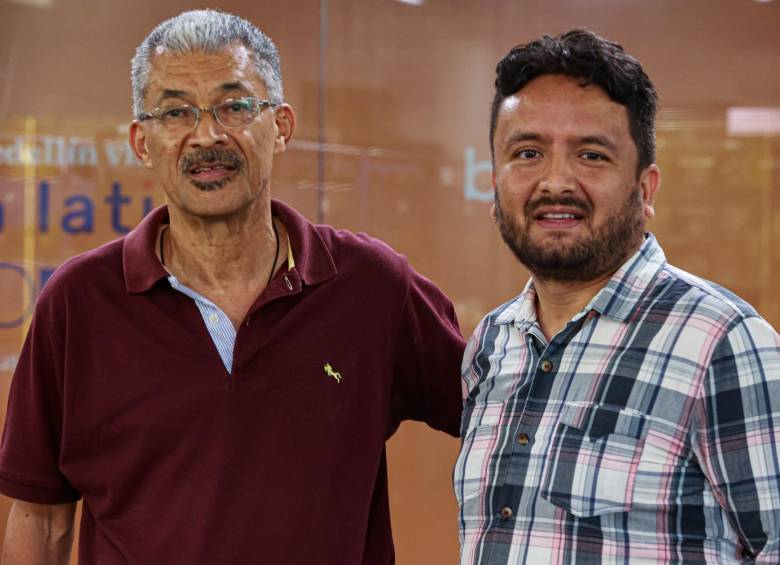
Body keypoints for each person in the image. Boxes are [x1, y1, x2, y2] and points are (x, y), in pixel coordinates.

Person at [0, 10, 464, 565]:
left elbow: (501, 415)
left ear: (282, 126)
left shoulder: (372, 286)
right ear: (142, 141)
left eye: (235, 106)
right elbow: (41, 519)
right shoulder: (77, 303)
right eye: (175, 112)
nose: (206, 136)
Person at [454, 29, 780, 564]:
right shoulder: (492, 344)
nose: (555, 181)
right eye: (528, 152)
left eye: (591, 155)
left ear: (645, 188)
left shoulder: (721, 344)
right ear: (495, 183)